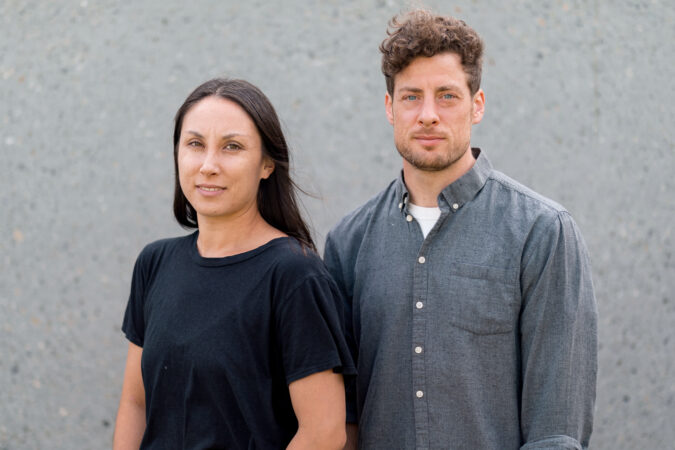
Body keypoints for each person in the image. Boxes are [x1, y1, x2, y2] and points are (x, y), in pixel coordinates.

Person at [324, 9, 597, 450]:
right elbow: (344, 419)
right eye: (412, 97)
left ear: (477, 105)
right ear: (390, 108)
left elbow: (557, 428)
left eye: (447, 96)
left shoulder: (543, 233)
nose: (428, 115)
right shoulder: (347, 244)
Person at [113, 78, 355, 449]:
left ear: (267, 165)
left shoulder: (294, 275)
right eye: (195, 144)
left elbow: (323, 433)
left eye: (232, 147)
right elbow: (135, 404)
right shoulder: (154, 264)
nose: (208, 165)